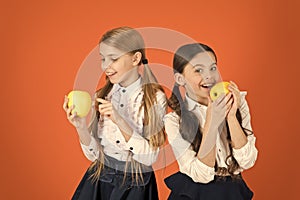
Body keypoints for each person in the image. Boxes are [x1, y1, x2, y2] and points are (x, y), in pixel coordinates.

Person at [63, 27, 167, 200]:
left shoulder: (154, 98)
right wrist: (80, 127)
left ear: (135, 59)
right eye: (103, 59)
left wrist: (119, 120)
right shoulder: (102, 95)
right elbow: (94, 155)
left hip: (135, 184)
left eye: (114, 59)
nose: (106, 66)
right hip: (100, 179)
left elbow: (150, 157)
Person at [164, 43, 258, 200]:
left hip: (232, 190)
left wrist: (231, 116)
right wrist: (212, 121)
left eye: (213, 68)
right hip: (193, 193)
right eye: (198, 70)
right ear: (180, 79)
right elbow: (202, 175)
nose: (209, 76)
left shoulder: (237, 101)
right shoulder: (173, 121)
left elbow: (247, 160)